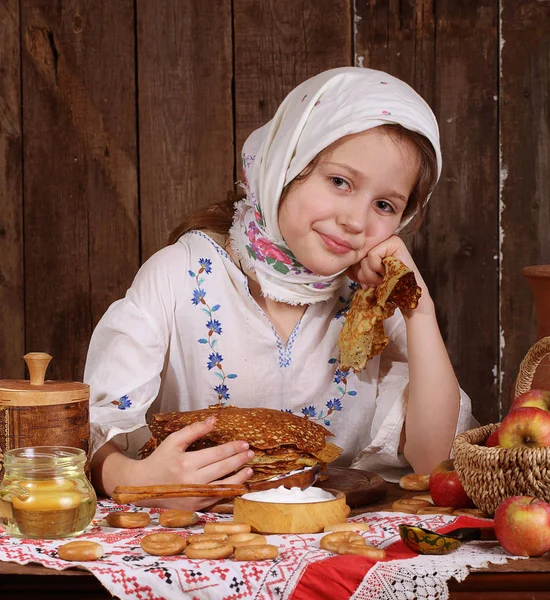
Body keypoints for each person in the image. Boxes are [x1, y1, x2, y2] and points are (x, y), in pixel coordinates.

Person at [85, 66, 474, 510]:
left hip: (332, 547)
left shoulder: (376, 303)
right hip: (201, 545)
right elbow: (94, 430)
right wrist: (134, 476)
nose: (355, 220)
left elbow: (433, 459)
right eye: (340, 182)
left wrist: (416, 304)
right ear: (286, 165)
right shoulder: (177, 275)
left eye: (384, 205)